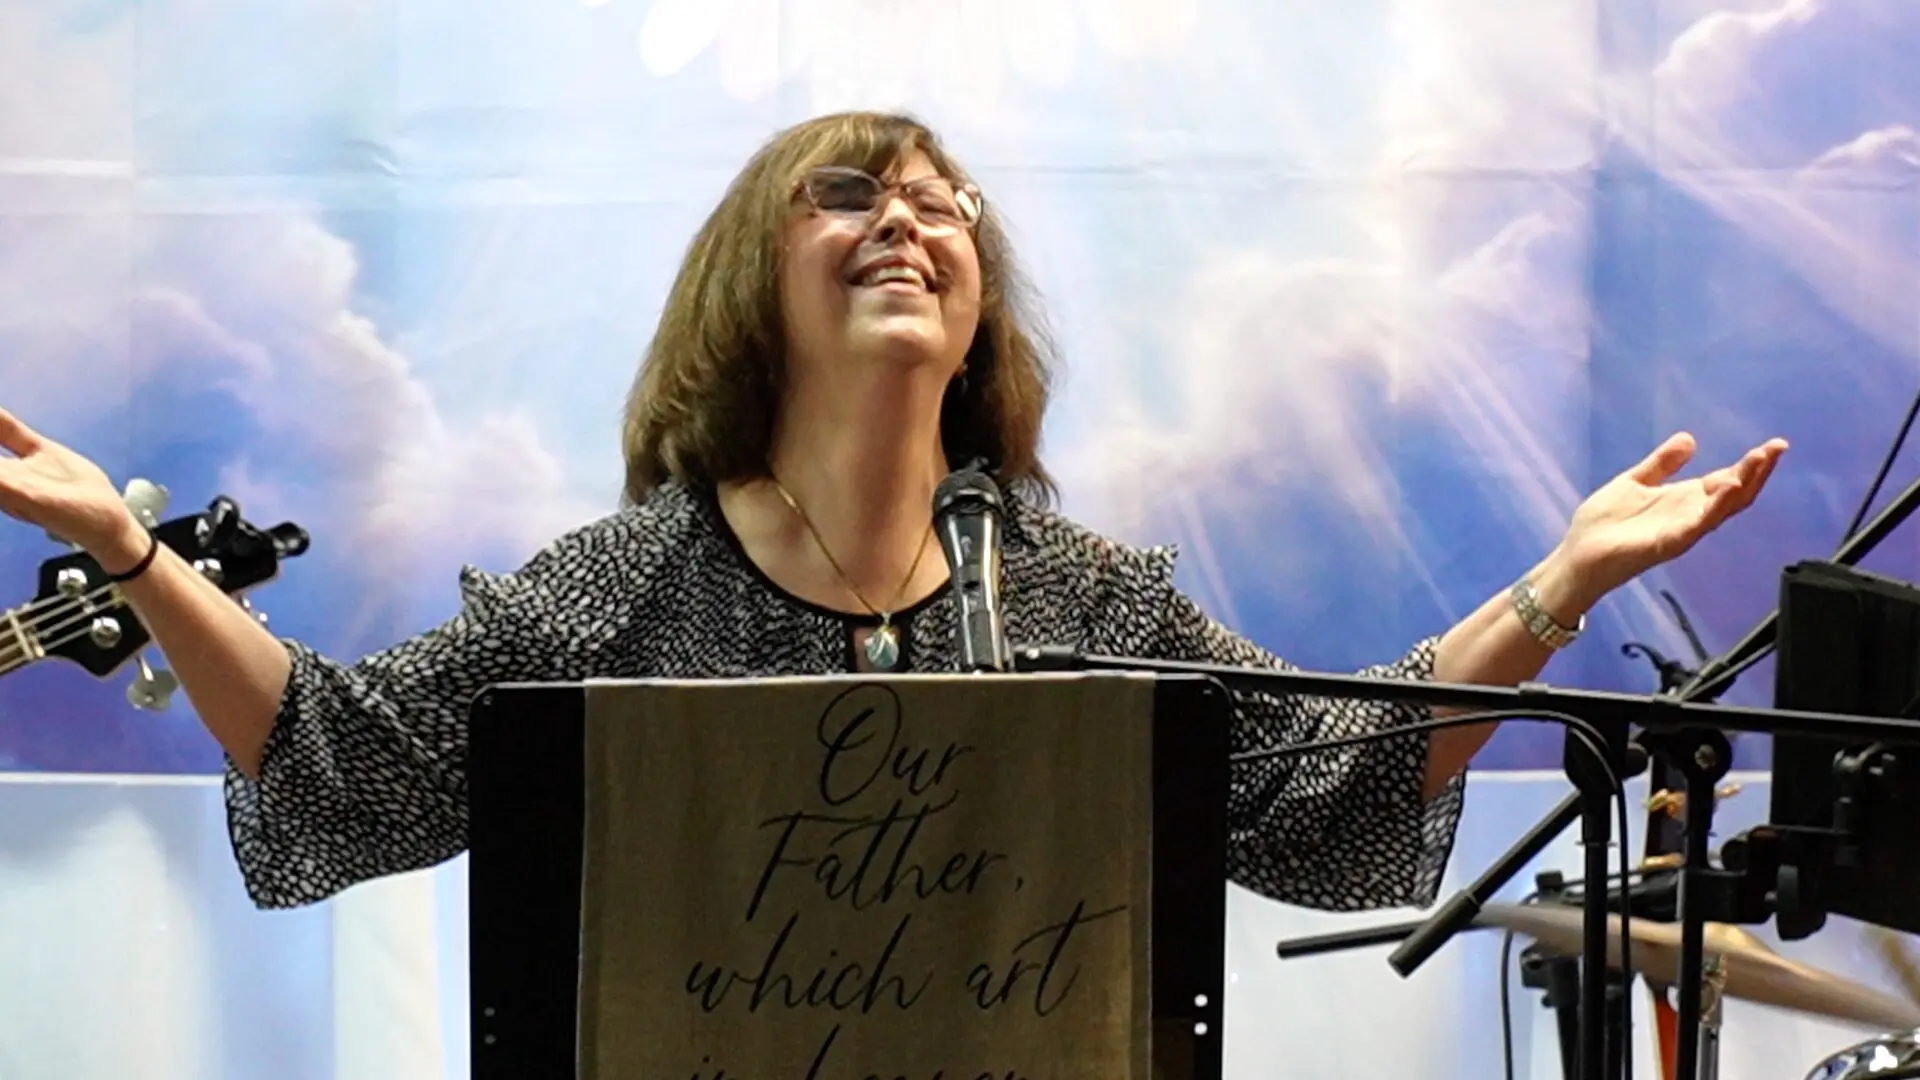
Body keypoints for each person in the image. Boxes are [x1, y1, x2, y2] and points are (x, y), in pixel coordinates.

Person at [0, 112, 1784, 911]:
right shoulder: (624, 591)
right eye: (849, 193)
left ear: (979, 302)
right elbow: (347, 766)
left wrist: (1553, 587)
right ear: (747, 288)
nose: (911, 219)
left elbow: (1318, 778)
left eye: (948, 204)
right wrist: (134, 555)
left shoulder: (1077, 590)